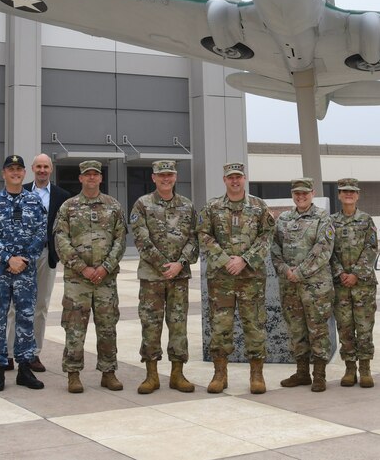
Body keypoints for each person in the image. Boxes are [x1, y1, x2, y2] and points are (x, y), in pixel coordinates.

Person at [0, 153, 71, 375]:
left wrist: (26, 258)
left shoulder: (62, 196)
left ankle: (33, 353)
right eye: (38, 166)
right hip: (11, 259)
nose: (42, 170)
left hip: (43, 255)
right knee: (13, 308)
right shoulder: (18, 190)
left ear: (50, 170)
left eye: (46, 166)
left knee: (39, 306)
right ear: (32, 169)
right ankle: (9, 355)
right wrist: (11, 258)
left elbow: (53, 229)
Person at [197, 161, 274, 395]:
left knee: (254, 325)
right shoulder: (212, 207)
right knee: (220, 327)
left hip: (250, 278)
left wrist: (244, 259)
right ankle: (220, 373)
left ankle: (257, 374)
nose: (235, 181)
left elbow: (267, 236)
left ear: (244, 179)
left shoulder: (259, 207)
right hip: (221, 279)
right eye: (230, 177)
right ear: (224, 180)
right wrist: (224, 259)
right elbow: (203, 235)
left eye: (238, 177)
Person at [55, 160, 127, 393]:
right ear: (80, 178)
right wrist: (82, 268)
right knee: (75, 327)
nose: (92, 178)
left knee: (107, 326)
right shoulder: (69, 206)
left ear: (101, 178)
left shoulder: (113, 206)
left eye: (96, 174)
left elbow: (120, 239)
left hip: (106, 279)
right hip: (78, 280)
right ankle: (73, 374)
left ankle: (109, 372)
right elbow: (61, 240)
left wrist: (106, 267)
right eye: (87, 175)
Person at [130, 159, 199, 394]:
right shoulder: (142, 204)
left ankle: (177, 374)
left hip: (179, 278)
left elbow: (194, 239)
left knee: (178, 325)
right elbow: (140, 239)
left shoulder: (187, 206)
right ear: (154, 178)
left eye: (169, 174)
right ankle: (151, 375)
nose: (166, 179)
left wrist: (179, 264)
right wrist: (163, 265)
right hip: (152, 277)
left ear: (176, 177)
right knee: (151, 324)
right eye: (161, 175)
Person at [0, 154, 46, 392]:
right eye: (11, 169)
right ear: (3, 173)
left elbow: (41, 233)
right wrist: (9, 258)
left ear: (24, 174)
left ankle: (25, 369)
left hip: (25, 272)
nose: (15, 173)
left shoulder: (34, 201)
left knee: (25, 318)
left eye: (19, 169)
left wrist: (24, 259)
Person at [273, 177, 335, 392]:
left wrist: (299, 272)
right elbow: (275, 248)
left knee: (317, 329)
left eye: (304, 193)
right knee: (296, 329)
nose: (301, 197)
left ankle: (319, 374)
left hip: (315, 286)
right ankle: (302, 373)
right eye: (297, 193)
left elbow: (323, 249)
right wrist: (284, 270)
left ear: (312, 193)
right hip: (289, 285)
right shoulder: (283, 218)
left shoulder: (322, 218)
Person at [330, 178, 379, 388]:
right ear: (339, 195)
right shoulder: (330, 222)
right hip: (340, 285)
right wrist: (341, 273)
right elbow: (327, 251)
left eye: (352, 192)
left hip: (363, 285)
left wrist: (356, 274)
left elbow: (371, 249)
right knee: (345, 327)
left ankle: (366, 368)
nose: (348, 195)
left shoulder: (366, 220)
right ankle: (350, 368)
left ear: (357, 195)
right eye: (344, 191)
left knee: (364, 326)